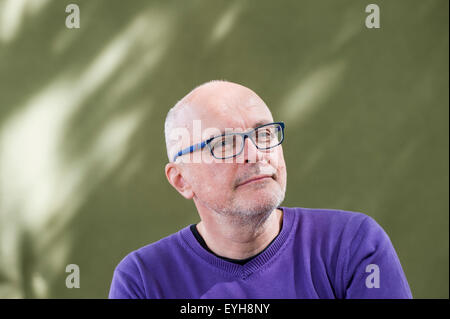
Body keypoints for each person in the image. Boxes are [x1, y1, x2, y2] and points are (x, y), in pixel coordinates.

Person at [108, 80, 412, 299]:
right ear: (181, 180)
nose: (255, 153)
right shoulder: (144, 280)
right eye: (224, 143)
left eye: (264, 133)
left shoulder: (352, 245)